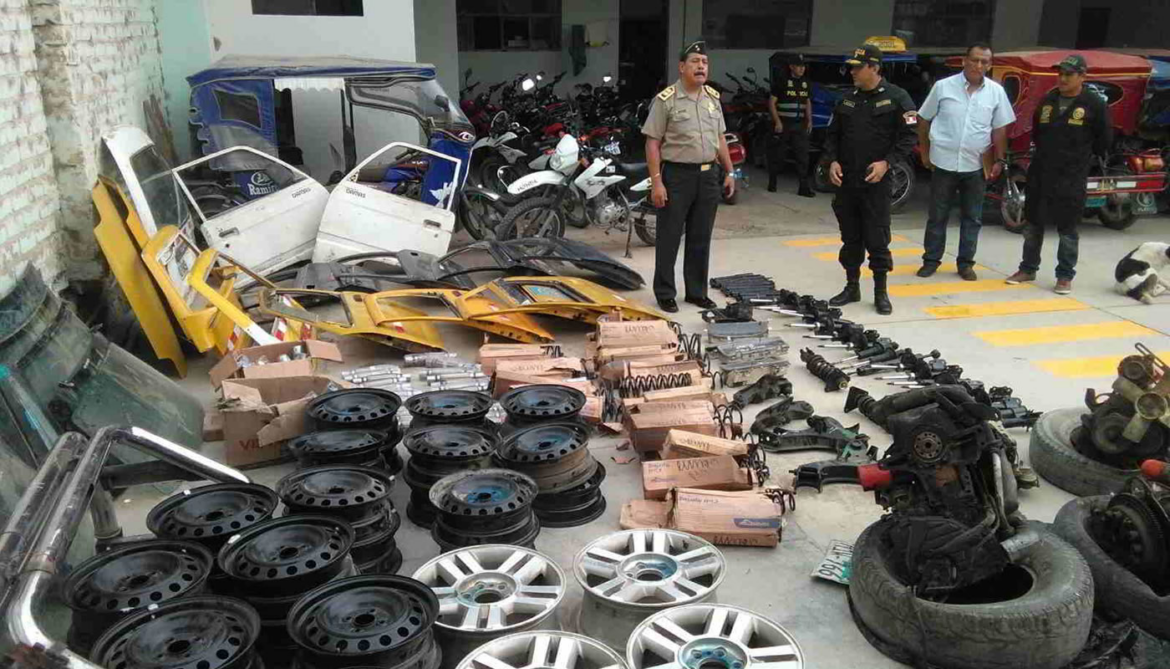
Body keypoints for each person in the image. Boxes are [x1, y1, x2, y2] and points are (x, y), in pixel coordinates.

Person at [823, 44, 918, 315]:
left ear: (874, 68)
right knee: (850, 237)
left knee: (877, 238)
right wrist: (832, 161)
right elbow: (832, 135)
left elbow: (909, 137)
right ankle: (852, 286)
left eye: (857, 67)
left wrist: (887, 163)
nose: (852, 72)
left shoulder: (898, 98)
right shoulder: (846, 99)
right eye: (851, 67)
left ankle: (880, 292)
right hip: (847, 182)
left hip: (877, 183)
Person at [642, 40, 736, 313]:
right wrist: (656, 182)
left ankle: (696, 292)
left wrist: (730, 171)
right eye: (695, 61)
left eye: (704, 62)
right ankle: (665, 292)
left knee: (700, 238)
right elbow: (652, 143)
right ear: (682, 67)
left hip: (708, 176)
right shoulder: (666, 99)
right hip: (677, 177)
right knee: (669, 237)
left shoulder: (712, 98)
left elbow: (720, 138)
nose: (701, 66)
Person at [1005, 54, 1111, 294]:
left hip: (1071, 176)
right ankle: (1027, 268)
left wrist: (1080, 160)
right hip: (1041, 173)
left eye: (1069, 74)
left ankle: (1064, 276)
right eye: (1060, 74)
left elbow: (1104, 140)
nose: (1062, 78)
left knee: (1068, 229)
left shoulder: (1094, 104)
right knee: (1033, 224)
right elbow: (1037, 132)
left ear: (1082, 76)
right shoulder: (1048, 100)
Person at [916, 43, 1015, 281]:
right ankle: (931, 261)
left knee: (972, 218)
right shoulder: (943, 87)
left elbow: (999, 129)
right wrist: (925, 153)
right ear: (964, 61)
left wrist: (999, 159)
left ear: (989, 65)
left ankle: (965, 264)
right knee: (937, 216)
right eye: (974, 60)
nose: (978, 65)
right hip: (943, 163)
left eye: (984, 62)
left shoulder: (996, 92)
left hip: (975, 166)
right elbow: (923, 119)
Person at [767, 53, 815, 197]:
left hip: (799, 124)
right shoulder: (781, 81)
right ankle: (773, 181)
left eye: (803, 66)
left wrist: (809, 120)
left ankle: (803, 187)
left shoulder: (806, 83)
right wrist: (777, 121)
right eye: (799, 66)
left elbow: (807, 102)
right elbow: (771, 103)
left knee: (803, 156)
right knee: (778, 155)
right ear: (791, 67)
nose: (802, 69)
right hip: (784, 124)